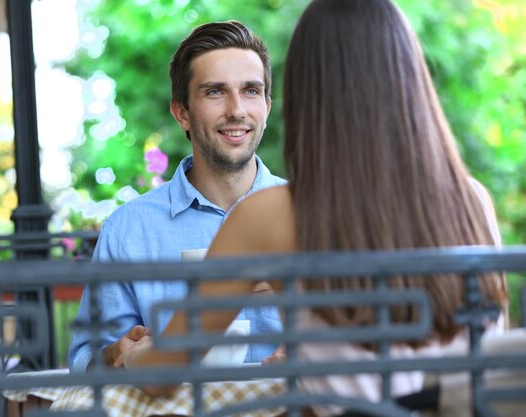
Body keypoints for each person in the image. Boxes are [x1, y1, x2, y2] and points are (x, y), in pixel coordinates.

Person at [116, 0, 509, 414]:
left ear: (306, 93)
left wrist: (134, 354)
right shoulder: (473, 201)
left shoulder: (268, 214)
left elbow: (162, 376)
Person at [68, 20, 286, 373]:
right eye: (215, 91)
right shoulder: (128, 230)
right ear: (182, 112)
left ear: (267, 105)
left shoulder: (311, 213)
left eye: (250, 91)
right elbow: (82, 362)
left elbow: (365, 335)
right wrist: (112, 356)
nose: (237, 110)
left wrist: (320, 352)